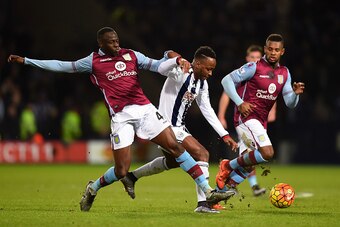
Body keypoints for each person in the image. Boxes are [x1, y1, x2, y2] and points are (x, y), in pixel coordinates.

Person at [7, 27, 235, 212]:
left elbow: (157, 65)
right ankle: (93, 188)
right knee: (121, 170)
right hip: (121, 117)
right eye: (112, 42)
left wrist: (173, 58)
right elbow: (62, 66)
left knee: (175, 146)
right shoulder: (93, 62)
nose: (117, 44)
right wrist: (27, 60)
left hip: (145, 110)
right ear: (102, 44)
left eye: (117, 40)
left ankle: (207, 192)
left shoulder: (131, 55)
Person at [120, 46, 238, 213]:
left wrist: (224, 134)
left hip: (178, 127)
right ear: (197, 64)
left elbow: (207, 109)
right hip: (165, 126)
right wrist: (177, 59)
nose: (210, 73)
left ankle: (131, 177)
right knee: (202, 154)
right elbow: (164, 59)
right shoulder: (180, 72)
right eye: (208, 68)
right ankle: (203, 203)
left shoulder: (202, 84)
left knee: (172, 162)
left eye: (212, 69)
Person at [215, 34, 305, 193]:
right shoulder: (254, 67)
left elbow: (290, 103)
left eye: (277, 50)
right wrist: (240, 102)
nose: (273, 52)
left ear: (282, 52)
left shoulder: (284, 73)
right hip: (246, 118)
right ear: (265, 49)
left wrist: (295, 94)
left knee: (250, 160)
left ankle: (219, 193)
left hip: (260, 121)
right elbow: (226, 81)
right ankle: (227, 166)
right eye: (270, 49)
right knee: (267, 152)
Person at [217, 45, 271, 196]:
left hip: (260, 121)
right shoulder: (243, 75)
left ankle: (224, 188)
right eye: (252, 58)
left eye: (257, 58)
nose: (254, 61)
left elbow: (271, 95)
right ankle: (246, 185)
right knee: (251, 155)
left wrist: (272, 110)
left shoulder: (265, 76)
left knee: (249, 157)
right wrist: (221, 115)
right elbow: (226, 93)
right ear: (247, 59)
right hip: (245, 120)